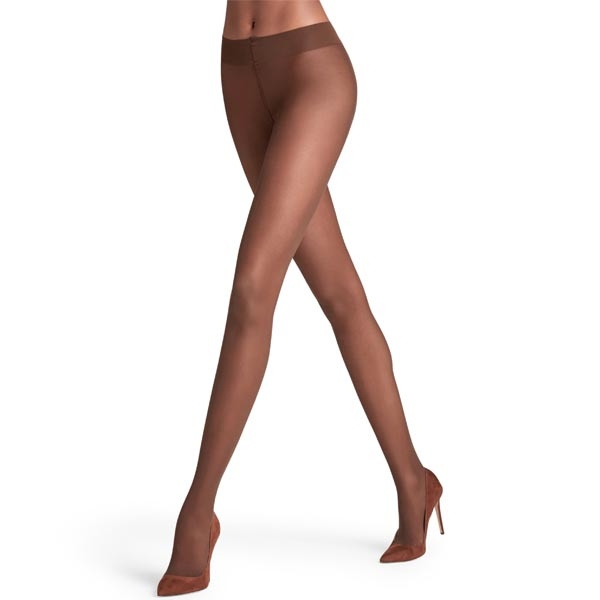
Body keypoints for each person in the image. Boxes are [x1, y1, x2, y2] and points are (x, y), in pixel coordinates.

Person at [157, 2, 444, 595]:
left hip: (313, 70)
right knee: (341, 295)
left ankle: (196, 515)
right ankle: (414, 481)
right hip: (237, 69)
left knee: (252, 285)